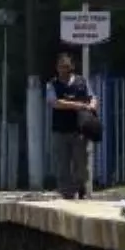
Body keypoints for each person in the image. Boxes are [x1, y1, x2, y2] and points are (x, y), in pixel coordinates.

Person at [46, 52, 98, 199]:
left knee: (81, 162)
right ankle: (66, 193)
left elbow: (92, 97)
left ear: (72, 67)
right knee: (62, 163)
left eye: (67, 66)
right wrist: (80, 105)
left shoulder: (82, 82)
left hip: (79, 130)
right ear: (57, 68)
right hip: (60, 131)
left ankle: (81, 189)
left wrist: (92, 105)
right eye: (61, 66)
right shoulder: (52, 84)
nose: (64, 69)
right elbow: (55, 103)